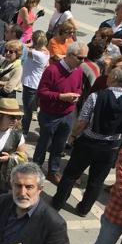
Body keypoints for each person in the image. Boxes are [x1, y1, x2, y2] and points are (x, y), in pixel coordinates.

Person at [52, 66, 122, 216]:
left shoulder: (96, 96)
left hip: (88, 143)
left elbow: (82, 122)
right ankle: (84, 209)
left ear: (115, 79)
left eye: (110, 75)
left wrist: (73, 136)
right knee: (96, 181)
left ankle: (58, 202)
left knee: (71, 175)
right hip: (111, 147)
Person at [32, 43, 87, 185]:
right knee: (43, 145)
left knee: (59, 146)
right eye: (80, 58)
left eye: (84, 58)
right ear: (69, 55)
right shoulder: (52, 70)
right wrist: (61, 97)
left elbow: (79, 88)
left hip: (68, 114)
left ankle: (53, 171)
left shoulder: (79, 70)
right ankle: (35, 171)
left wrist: (77, 95)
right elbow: (42, 92)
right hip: (50, 115)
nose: (82, 61)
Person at [21, 30, 50, 135]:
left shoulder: (36, 54)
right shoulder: (45, 52)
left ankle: (24, 131)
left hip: (30, 85)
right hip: (36, 83)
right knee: (32, 109)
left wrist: (28, 43)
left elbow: (21, 47)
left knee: (27, 111)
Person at [0, 40, 23, 106]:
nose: (7, 53)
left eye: (11, 52)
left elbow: (8, 88)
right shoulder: (2, 61)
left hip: (6, 99)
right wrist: (3, 83)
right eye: (6, 50)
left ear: (17, 54)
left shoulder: (18, 68)